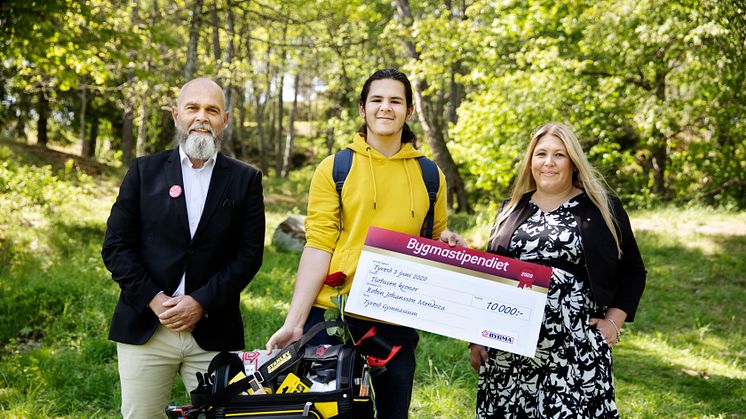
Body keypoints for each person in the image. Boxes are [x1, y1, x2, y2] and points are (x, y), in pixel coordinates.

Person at [265, 68, 462, 418]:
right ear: (362, 108)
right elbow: (318, 245)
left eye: (395, 101)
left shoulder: (431, 175)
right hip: (333, 314)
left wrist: (446, 243)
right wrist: (296, 322)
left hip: (394, 317)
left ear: (409, 111)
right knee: (333, 413)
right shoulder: (335, 168)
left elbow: (431, 242)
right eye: (377, 100)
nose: (386, 108)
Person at [101, 77, 265, 418]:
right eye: (193, 108)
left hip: (214, 330)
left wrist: (201, 302)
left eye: (212, 110)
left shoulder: (245, 179)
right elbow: (116, 245)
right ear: (177, 115)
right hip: (146, 328)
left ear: (226, 119)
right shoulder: (144, 171)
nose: (201, 117)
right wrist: (154, 298)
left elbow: (248, 255)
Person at [470, 123, 646, 418]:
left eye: (559, 155)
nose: (548, 163)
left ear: (573, 162)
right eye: (541, 154)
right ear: (530, 161)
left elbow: (633, 271)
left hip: (574, 348)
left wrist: (613, 323)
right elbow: (493, 278)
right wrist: (477, 337)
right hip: (510, 347)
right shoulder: (511, 209)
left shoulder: (602, 207)